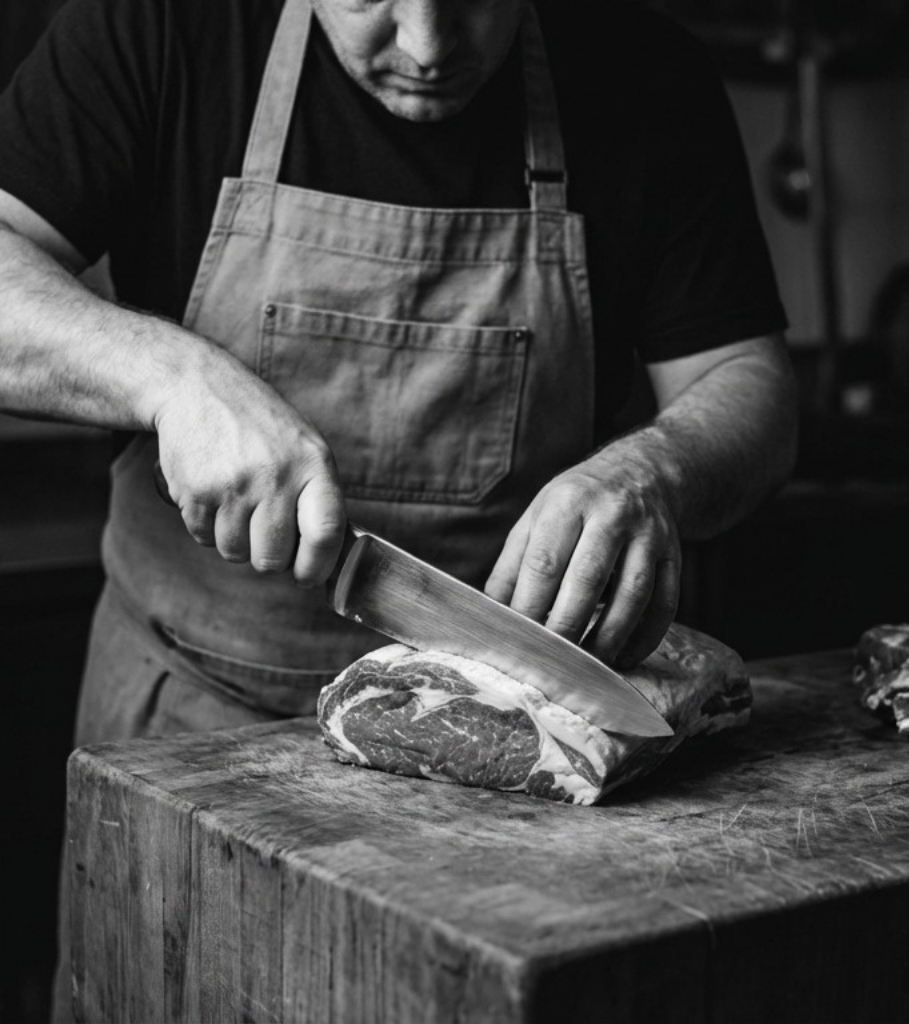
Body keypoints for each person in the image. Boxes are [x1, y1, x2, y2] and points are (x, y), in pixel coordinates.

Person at [0, 0, 796, 1019]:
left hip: (512, 775)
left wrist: (659, 466)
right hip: (185, 742)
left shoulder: (640, 68)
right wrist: (169, 375)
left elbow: (749, 381)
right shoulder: (159, 26)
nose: (426, 44)